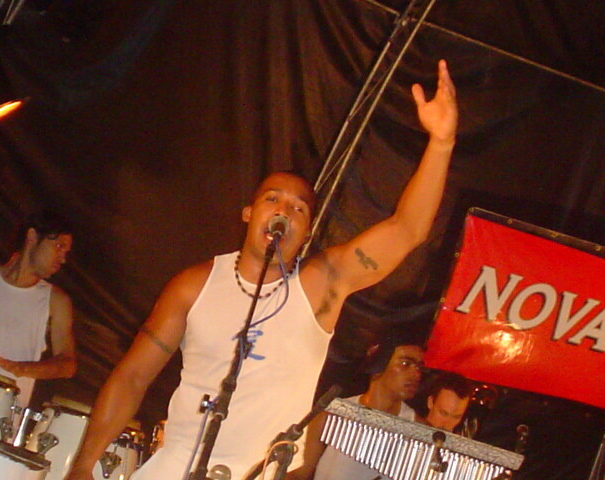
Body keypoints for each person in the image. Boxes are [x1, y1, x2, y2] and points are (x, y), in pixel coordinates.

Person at [66, 59, 458, 480]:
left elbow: (407, 230)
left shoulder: (320, 285)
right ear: (249, 213)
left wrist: (441, 144)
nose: (284, 210)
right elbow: (132, 377)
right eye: (273, 199)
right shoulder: (194, 286)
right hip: (176, 465)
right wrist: (83, 465)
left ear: (307, 232)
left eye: (299, 208)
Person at [0, 210, 77, 408]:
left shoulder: (56, 300)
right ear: (32, 236)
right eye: (59, 246)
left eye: (66, 252)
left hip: (2, 413)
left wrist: (23, 368)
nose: (63, 259)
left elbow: (67, 364)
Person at [288, 337, 425, 480]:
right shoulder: (332, 414)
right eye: (405, 364)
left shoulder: (421, 433)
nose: (416, 374)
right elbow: (300, 473)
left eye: (419, 367)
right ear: (377, 365)